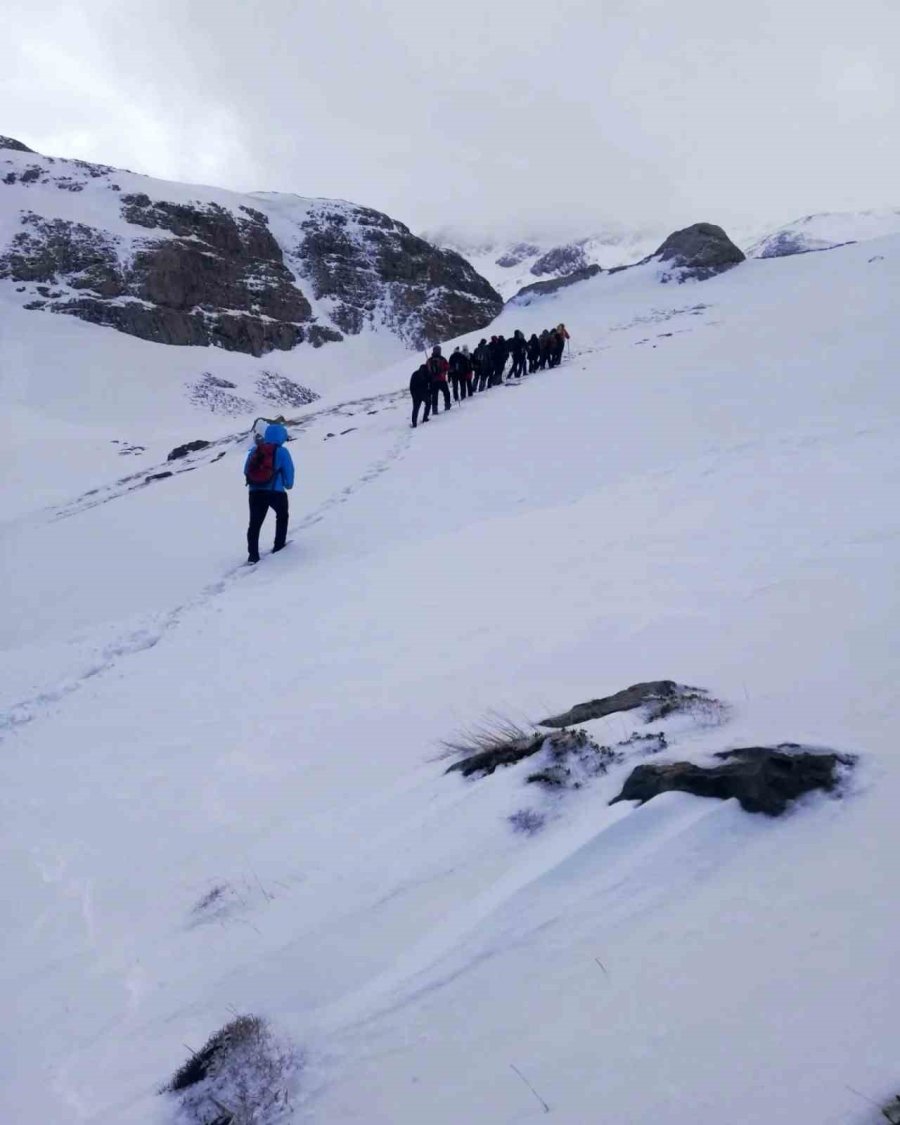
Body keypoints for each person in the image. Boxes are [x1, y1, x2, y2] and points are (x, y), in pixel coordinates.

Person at [244, 422, 294, 564]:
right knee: (282, 516)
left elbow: (246, 470)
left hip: (254, 492)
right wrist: (287, 484)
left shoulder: (255, 450)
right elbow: (289, 472)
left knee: (254, 523)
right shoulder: (282, 452)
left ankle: (253, 556)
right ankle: (278, 545)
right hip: (275, 492)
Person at [427, 346, 451, 413]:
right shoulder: (442, 359)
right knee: (446, 393)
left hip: (433, 381)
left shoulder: (429, 360)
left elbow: (427, 370)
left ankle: (434, 410)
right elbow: (447, 367)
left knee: (434, 395)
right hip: (441, 379)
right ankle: (447, 406)